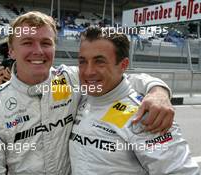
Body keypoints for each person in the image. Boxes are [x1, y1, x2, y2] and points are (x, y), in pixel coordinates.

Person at [0, 11, 174, 174]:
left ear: (55, 47)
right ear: (11, 50)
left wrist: (158, 91)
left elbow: (119, 79)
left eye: (46, 43)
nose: (38, 51)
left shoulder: (70, 80)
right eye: (27, 42)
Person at [69, 26, 200, 175]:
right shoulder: (81, 96)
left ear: (123, 65)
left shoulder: (145, 113)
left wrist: (158, 91)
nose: (88, 71)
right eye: (82, 61)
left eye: (100, 62)